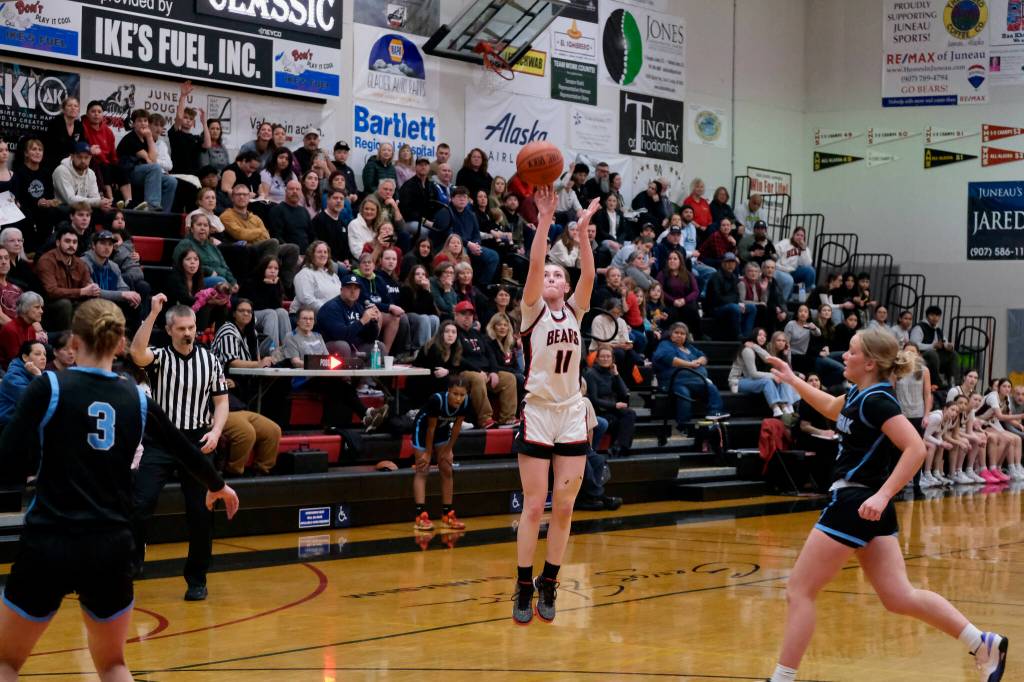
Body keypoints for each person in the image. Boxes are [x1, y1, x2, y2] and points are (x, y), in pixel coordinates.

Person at [0, 299, 238, 680]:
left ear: (74, 342)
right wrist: (218, 485)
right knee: (113, 665)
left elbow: (8, 460)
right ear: (120, 343)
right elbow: (182, 447)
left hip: (51, 538)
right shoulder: (138, 398)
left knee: (6, 662)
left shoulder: (50, 386)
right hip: (110, 544)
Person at [763, 327, 1009, 682]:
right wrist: (791, 380)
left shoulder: (880, 401)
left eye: (851, 351)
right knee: (898, 596)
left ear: (870, 363)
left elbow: (916, 448)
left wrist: (882, 495)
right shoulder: (859, 393)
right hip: (866, 505)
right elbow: (833, 409)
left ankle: (781, 679)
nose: (844, 356)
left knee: (799, 590)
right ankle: (982, 641)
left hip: (856, 499)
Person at [509, 186, 599, 626]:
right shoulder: (531, 313)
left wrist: (582, 234)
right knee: (533, 505)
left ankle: (550, 580)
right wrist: (544, 219)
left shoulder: (577, 314)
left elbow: (590, 276)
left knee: (564, 508)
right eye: (548, 276)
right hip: (539, 412)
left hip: (571, 413)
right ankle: (523, 585)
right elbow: (534, 263)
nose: (551, 280)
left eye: (557, 277)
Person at [129, 294, 234, 601]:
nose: (188, 333)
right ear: (170, 329)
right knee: (139, 504)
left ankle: (197, 578)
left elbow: (221, 402)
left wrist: (216, 431)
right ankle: (133, 562)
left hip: (198, 441)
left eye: (192, 327)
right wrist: (151, 314)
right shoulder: (159, 356)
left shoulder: (210, 360)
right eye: (182, 328)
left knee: (201, 513)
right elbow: (136, 352)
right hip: (161, 440)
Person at [411, 375, 470, 532]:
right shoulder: (436, 400)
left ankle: (447, 514)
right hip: (423, 431)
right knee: (423, 469)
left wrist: (449, 449)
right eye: (455, 394)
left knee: (447, 468)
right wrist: (428, 454)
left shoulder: (465, 403)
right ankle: (420, 516)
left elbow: (457, 427)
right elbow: (430, 429)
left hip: (442, 431)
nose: (458, 398)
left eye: (462, 395)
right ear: (448, 391)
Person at [653, 322, 729, 432]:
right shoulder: (665, 344)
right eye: (676, 332)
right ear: (671, 334)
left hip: (693, 380)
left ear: (686, 336)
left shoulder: (689, 347)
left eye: (682, 333)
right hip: (672, 380)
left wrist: (698, 361)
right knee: (684, 393)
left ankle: (715, 412)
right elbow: (670, 359)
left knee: (710, 387)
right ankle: (683, 424)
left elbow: (703, 357)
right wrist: (691, 365)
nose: (679, 335)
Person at [453, 300, 516, 428]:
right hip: (465, 372)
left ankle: (507, 419)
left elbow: (490, 355)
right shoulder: (454, 332)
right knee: (477, 378)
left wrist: (493, 371)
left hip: (485, 372)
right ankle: (485, 419)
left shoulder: (477, 334)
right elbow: (457, 357)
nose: (467, 317)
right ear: (456, 316)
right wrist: (478, 370)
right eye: (463, 314)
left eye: (470, 315)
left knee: (509, 378)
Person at [36, 225, 99, 331]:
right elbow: (52, 291)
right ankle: (65, 339)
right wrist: (81, 291)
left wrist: (92, 288)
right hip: (47, 306)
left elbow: (86, 286)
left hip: (72, 302)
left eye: (75, 242)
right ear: (57, 243)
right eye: (67, 241)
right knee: (65, 304)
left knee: (94, 303)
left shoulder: (80, 263)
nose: (71, 245)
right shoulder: (46, 260)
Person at [116, 109, 176, 212]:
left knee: (171, 181)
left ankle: (165, 213)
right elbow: (151, 162)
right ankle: (152, 205)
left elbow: (153, 159)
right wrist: (149, 138)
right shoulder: (131, 138)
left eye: (145, 121)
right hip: (128, 174)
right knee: (155, 168)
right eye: (139, 121)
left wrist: (149, 137)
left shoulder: (145, 138)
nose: (143, 123)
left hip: (141, 172)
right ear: (133, 124)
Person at [729, 329, 796, 418]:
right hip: (739, 381)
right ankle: (775, 407)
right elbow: (753, 374)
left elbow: (768, 358)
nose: (762, 337)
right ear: (754, 336)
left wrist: (787, 354)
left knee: (780, 377)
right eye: (759, 335)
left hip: (753, 380)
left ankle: (785, 405)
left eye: (764, 336)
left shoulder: (759, 349)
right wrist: (773, 376)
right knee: (768, 381)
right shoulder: (747, 350)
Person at [584, 345, 636, 457]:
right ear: (597, 359)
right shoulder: (591, 373)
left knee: (630, 413)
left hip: (611, 408)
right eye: (602, 356)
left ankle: (619, 447)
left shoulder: (611, 373)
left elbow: (624, 392)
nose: (605, 359)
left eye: (608, 356)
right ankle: (619, 449)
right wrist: (615, 405)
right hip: (598, 410)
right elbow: (594, 399)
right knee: (616, 421)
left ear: (612, 359)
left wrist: (616, 375)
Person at [240, 255, 291, 349]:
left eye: (276, 268)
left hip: (267, 316)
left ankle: (290, 351)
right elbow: (256, 305)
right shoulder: (251, 281)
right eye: (269, 267)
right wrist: (267, 287)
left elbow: (277, 305)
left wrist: (272, 287)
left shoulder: (276, 283)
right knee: (270, 313)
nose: (273, 271)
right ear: (263, 268)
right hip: (249, 315)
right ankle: (271, 352)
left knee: (282, 312)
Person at [706, 252, 756, 340]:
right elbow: (717, 298)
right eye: (728, 262)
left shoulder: (734, 277)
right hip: (716, 308)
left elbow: (736, 295)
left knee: (752, 308)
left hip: (730, 305)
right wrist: (734, 302)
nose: (731, 265)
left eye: (733, 263)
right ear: (722, 263)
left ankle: (747, 336)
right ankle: (738, 335)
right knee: (734, 307)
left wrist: (736, 302)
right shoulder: (715, 277)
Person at [52, 142, 112, 211]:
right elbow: (70, 200)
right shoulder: (61, 170)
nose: (83, 161)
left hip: (84, 210)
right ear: (72, 156)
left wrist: (103, 203)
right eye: (79, 157)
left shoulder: (91, 173)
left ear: (90, 158)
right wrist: (98, 202)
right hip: (63, 210)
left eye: (86, 157)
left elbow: (95, 197)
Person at [0, 340, 46, 426]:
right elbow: (33, 401)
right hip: (7, 426)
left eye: (44, 354)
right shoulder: (13, 377)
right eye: (37, 354)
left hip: (23, 424)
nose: (43, 357)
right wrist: (38, 376)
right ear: (25, 357)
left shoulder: (36, 372)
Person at [911, 305, 958, 389]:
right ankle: (937, 382)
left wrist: (948, 346)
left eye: (937, 316)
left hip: (936, 357)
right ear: (927, 316)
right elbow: (914, 344)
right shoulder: (919, 327)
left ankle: (952, 382)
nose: (935, 318)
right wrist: (933, 345)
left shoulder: (938, 329)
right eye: (932, 315)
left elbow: (944, 341)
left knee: (953, 354)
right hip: (922, 357)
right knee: (932, 353)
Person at [0, 291, 46, 368]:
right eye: (37, 307)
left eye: (41, 307)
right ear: (25, 308)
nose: (41, 311)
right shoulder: (10, 329)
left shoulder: (31, 328)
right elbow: (15, 363)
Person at [267, 179, 315, 253]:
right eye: (291, 189)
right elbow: (276, 236)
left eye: (298, 189)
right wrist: (292, 252)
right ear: (285, 191)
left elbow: (312, 235)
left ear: (301, 193)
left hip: (307, 254)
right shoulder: (277, 210)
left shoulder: (304, 211)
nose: (295, 191)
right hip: (288, 254)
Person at [401, 264, 440, 348]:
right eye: (417, 274)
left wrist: (428, 291)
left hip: (421, 317)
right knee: (425, 318)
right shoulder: (406, 289)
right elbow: (416, 309)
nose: (421, 276)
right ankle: (420, 349)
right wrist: (426, 292)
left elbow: (433, 312)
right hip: (408, 316)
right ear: (412, 276)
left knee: (435, 319)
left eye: (423, 274)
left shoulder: (425, 290)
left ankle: (431, 347)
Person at [775, 226, 816, 301]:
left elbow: (807, 264)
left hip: (793, 271)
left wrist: (803, 249)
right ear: (793, 235)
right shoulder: (785, 242)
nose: (799, 237)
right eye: (797, 235)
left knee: (810, 271)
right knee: (789, 280)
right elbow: (775, 252)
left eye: (802, 235)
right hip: (781, 270)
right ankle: (784, 302)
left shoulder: (804, 248)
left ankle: (802, 297)